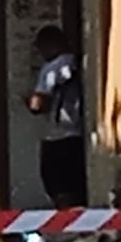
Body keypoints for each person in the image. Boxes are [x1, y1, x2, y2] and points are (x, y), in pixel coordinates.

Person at [23, 27, 89, 208]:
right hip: (78, 134)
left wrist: (28, 99)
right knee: (77, 189)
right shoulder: (77, 63)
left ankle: (66, 229)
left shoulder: (53, 68)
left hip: (58, 137)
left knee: (58, 187)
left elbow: (39, 104)